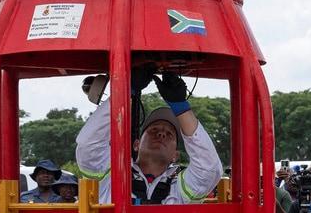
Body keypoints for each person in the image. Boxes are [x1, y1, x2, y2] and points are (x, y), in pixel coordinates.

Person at [75, 70, 222, 205]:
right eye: (154, 130)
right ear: (136, 145)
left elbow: (209, 169)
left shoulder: (180, 188)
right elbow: (88, 145)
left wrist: (180, 105)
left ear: (175, 156)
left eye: (169, 134)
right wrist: (125, 91)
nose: (161, 134)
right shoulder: (109, 178)